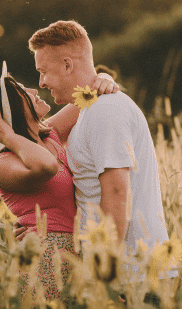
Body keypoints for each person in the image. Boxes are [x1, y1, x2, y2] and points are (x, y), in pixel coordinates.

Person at [27, 20, 174, 270]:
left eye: (43, 71)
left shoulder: (105, 111)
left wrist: (107, 273)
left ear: (67, 65)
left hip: (132, 273)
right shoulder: (89, 108)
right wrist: (34, 223)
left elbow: (117, 193)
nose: (41, 82)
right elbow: (42, 139)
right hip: (118, 269)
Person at [0, 62, 118, 299]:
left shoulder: (50, 134)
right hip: (45, 260)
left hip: (80, 252)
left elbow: (91, 95)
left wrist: (103, 78)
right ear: (8, 111)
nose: (34, 90)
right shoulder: (2, 164)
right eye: (22, 92)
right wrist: (8, 136)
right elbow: (47, 166)